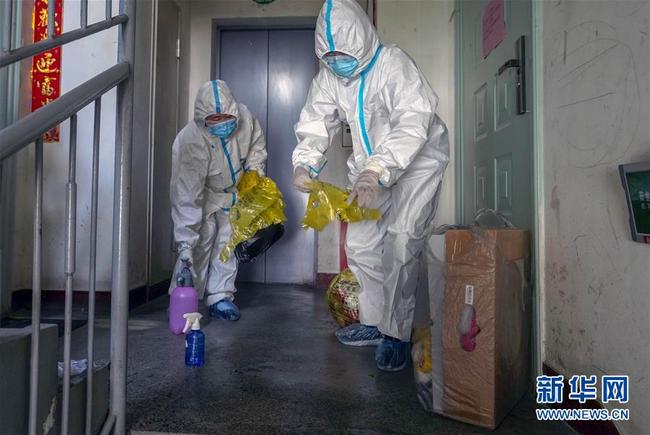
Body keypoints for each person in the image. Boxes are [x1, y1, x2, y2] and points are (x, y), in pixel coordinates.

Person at [292, 0, 449, 371]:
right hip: (368, 163)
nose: (337, 62)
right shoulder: (329, 77)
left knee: (403, 238)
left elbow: (413, 120)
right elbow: (316, 120)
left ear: (362, 39)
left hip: (418, 159)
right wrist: (304, 163)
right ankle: (376, 322)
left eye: (343, 54)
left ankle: (397, 333)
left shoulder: (393, 63)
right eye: (329, 56)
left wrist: (376, 169)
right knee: (360, 242)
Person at [170, 80, 267, 321]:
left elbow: (256, 147)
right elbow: (186, 195)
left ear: (234, 111)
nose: (222, 122)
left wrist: (254, 172)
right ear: (203, 118)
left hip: (235, 194)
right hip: (205, 195)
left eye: (227, 117)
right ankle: (184, 297)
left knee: (227, 246)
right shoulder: (190, 140)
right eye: (215, 118)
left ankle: (221, 297)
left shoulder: (246, 119)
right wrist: (184, 243)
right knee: (197, 247)